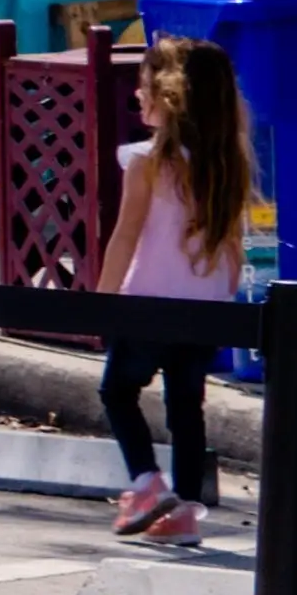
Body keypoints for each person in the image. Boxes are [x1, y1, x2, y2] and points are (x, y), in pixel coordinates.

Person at [98, 33, 262, 544]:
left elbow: (126, 235)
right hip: (205, 306)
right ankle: (186, 511)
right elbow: (233, 243)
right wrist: (226, 297)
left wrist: (99, 301)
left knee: (118, 392)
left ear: (169, 97)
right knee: (186, 406)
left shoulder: (148, 162)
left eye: (144, 87)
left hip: (148, 301)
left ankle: (146, 483)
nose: (136, 96)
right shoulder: (226, 163)